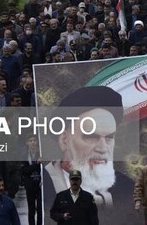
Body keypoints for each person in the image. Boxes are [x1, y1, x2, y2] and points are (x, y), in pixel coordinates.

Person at [42, 86, 137, 224]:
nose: (103, 148)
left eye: (109, 137)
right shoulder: (44, 185)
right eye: (91, 137)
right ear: (64, 141)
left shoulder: (127, 188)